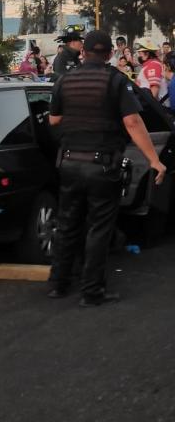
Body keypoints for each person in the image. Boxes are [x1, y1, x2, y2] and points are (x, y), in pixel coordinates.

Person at [48, 30, 166, 307]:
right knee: (98, 228)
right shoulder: (115, 81)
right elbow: (133, 123)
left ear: (83, 52)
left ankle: (58, 284)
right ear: (110, 53)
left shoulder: (64, 79)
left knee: (67, 224)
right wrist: (153, 159)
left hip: (68, 162)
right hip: (102, 165)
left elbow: (54, 120)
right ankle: (91, 292)